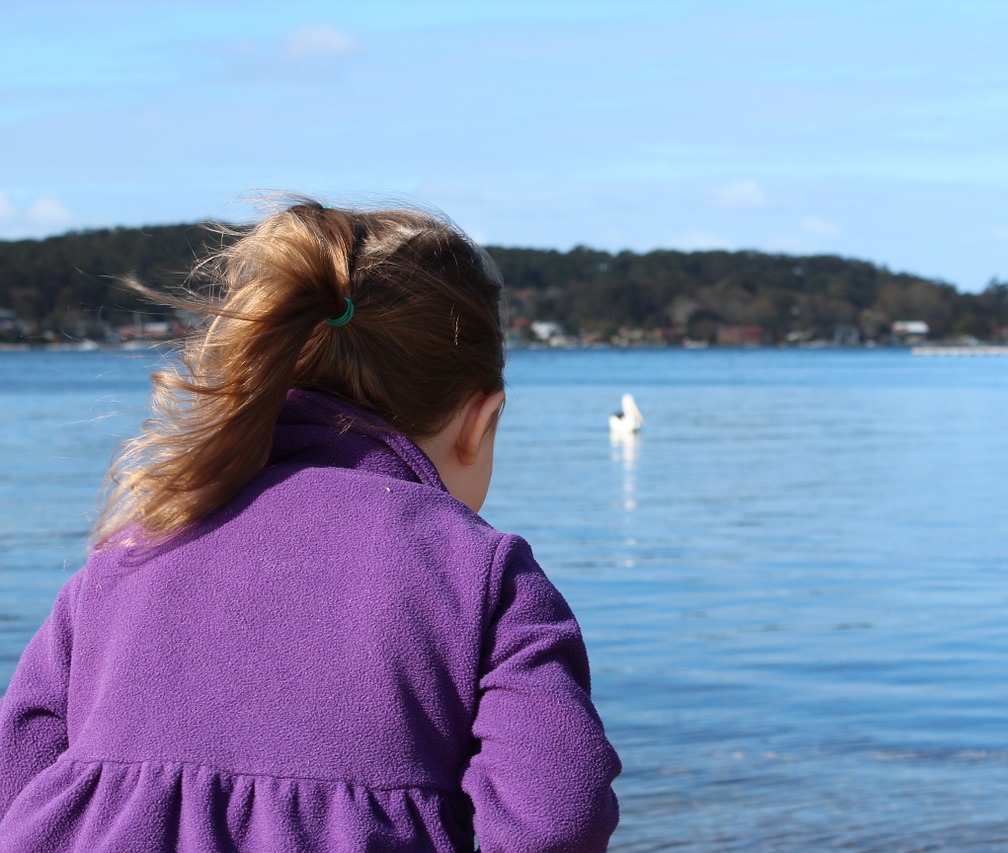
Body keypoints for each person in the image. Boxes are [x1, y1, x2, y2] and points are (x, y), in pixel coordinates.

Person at [0, 200, 621, 852]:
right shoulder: (482, 574)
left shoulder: (127, 553)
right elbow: (558, 814)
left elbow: (20, 775)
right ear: (478, 419)